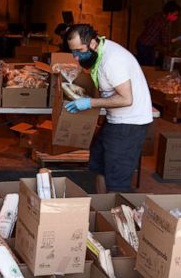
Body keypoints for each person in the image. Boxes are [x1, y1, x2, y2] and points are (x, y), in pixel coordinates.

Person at [63, 23, 153, 192]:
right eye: (73, 52)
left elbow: (126, 99)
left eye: (80, 51)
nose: (76, 57)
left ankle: (115, 214)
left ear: (92, 43)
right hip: (115, 120)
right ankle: (101, 207)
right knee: (98, 164)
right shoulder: (100, 52)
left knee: (117, 179)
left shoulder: (112, 61)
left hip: (129, 124)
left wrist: (90, 103)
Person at [135, 0, 181, 66]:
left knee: (143, 63)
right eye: (175, 15)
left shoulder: (157, 15)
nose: (176, 17)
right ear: (169, 13)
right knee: (148, 66)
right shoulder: (164, 23)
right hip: (146, 46)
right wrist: (175, 40)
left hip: (140, 42)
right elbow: (165, 41)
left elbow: (145, 22)